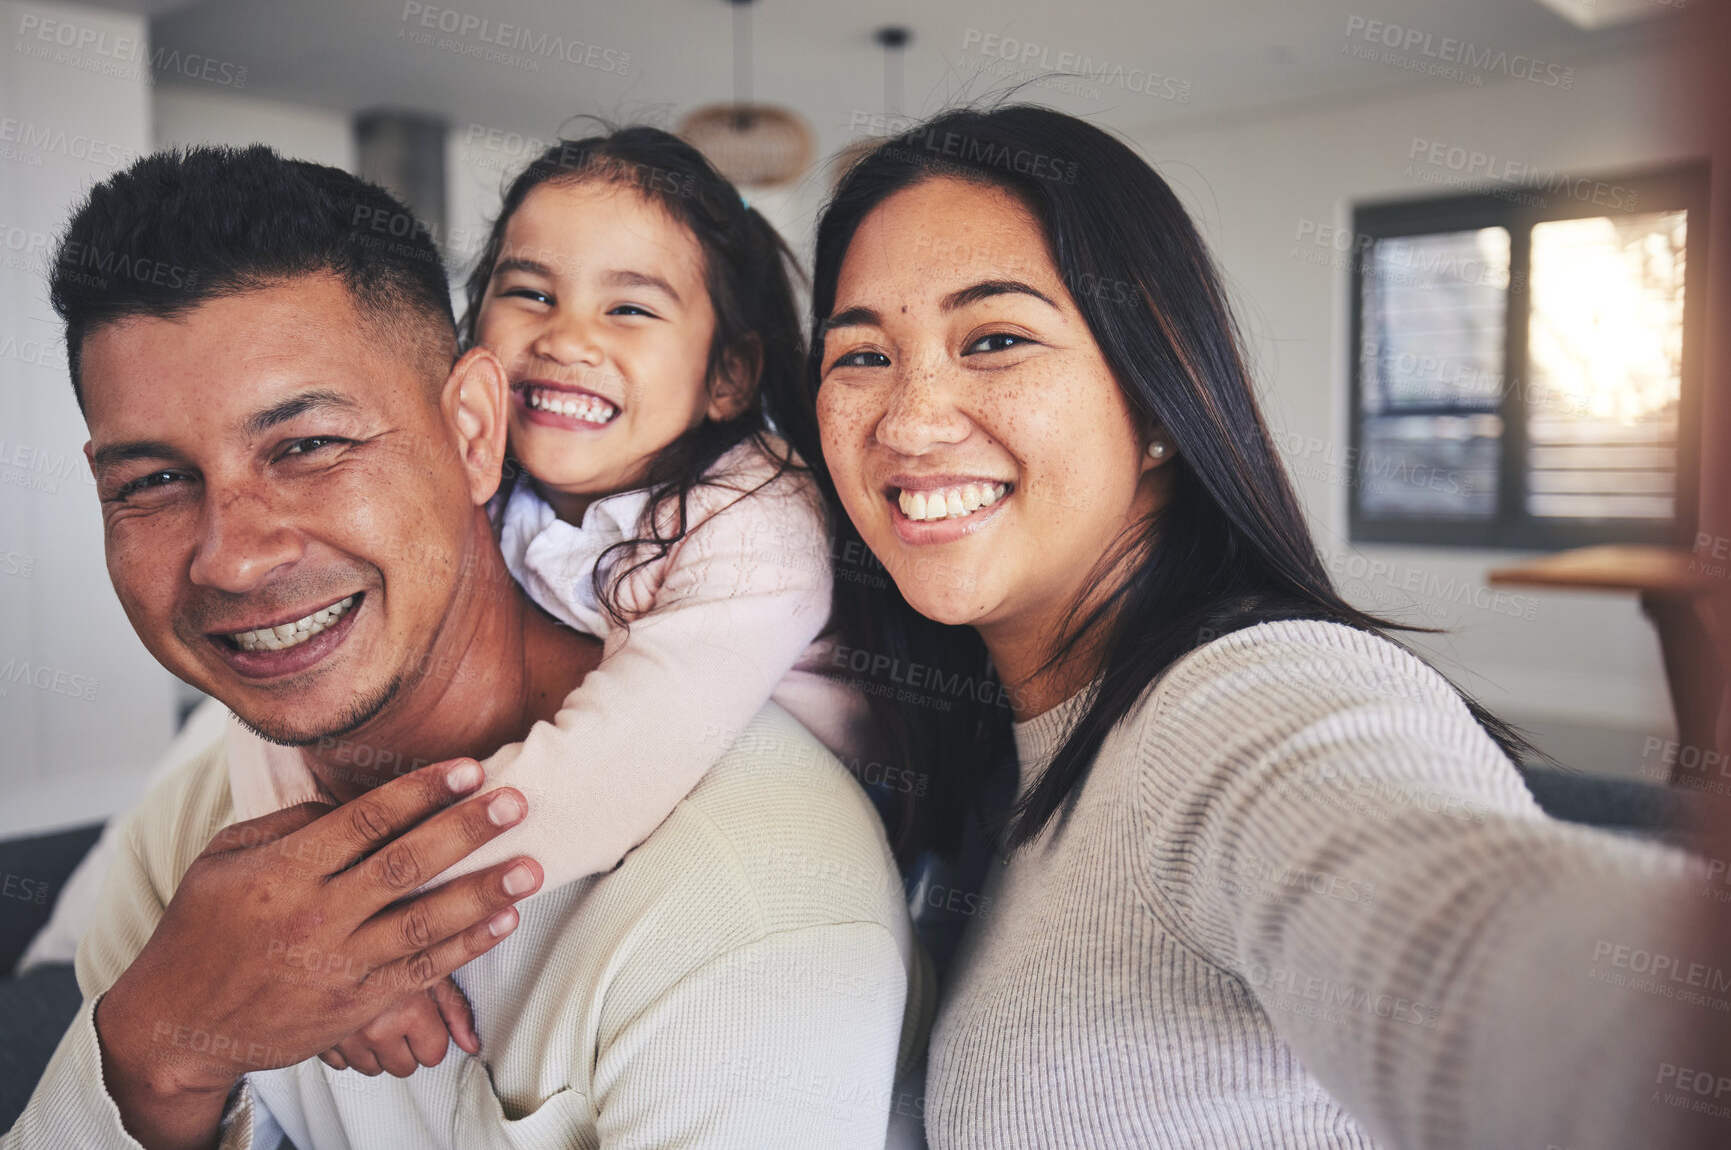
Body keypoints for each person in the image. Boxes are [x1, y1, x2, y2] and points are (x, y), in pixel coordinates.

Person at [793, 104, 1713, 1149]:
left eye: (995, 338)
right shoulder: (977, 749)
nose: (910, 421)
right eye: (860, 355)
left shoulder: (1249, 701)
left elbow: (1485, 952)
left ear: (1156, 396)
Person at [3, 145, 920, 1150]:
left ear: (472, 430)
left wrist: (363, 926)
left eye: (309, 446)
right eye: (151, 482)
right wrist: (144, 1057)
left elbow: (629, 754)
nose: (233, 559)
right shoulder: (193, 837)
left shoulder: (753, 900)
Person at [218, 126, 875, 1075]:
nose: (568, 338)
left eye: (630, 310)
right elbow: (299, 680)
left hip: (806, 859)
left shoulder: (755, 522)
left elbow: (596, 784)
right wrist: (293, 886)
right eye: (529, 292)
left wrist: (354, 931)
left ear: (727, 375)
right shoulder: (476, 473)